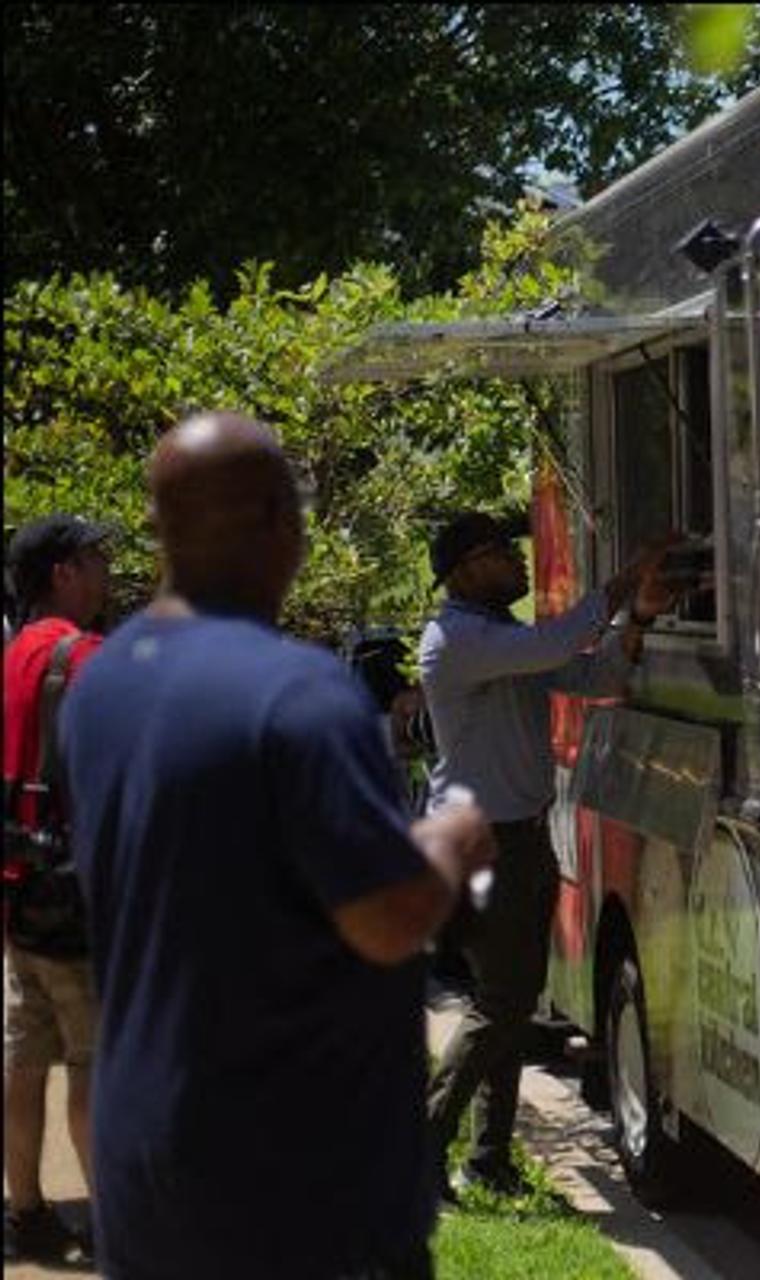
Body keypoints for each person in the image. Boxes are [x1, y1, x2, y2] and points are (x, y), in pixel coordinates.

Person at [59, 412, 496, 1279]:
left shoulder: (102, 683)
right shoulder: (300, 694)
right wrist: (448, 841)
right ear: (276, 521)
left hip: (147, 1170)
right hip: (297, 1188)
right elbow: (387, 918)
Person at [419, 510, 682, 1197]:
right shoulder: (458, 640)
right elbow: (567, 638)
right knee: (504, 1001)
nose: (518, 559)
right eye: (503, 550)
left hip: (521, 836)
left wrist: (642, 619)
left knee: (509, 997)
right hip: (479, 843)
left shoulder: (504, 640)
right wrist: (633, 572)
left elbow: (594, 676)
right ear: (466, 569)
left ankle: (488, 1159)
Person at [2, 514, 112, 1266]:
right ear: (62, 573)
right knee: (92, 1061)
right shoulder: (88, 658)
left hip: (15, 886)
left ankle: (27, 1210)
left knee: (25, 1055)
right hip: (75, 896)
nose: (107, 572)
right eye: (96, 559)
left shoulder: (10, 655)